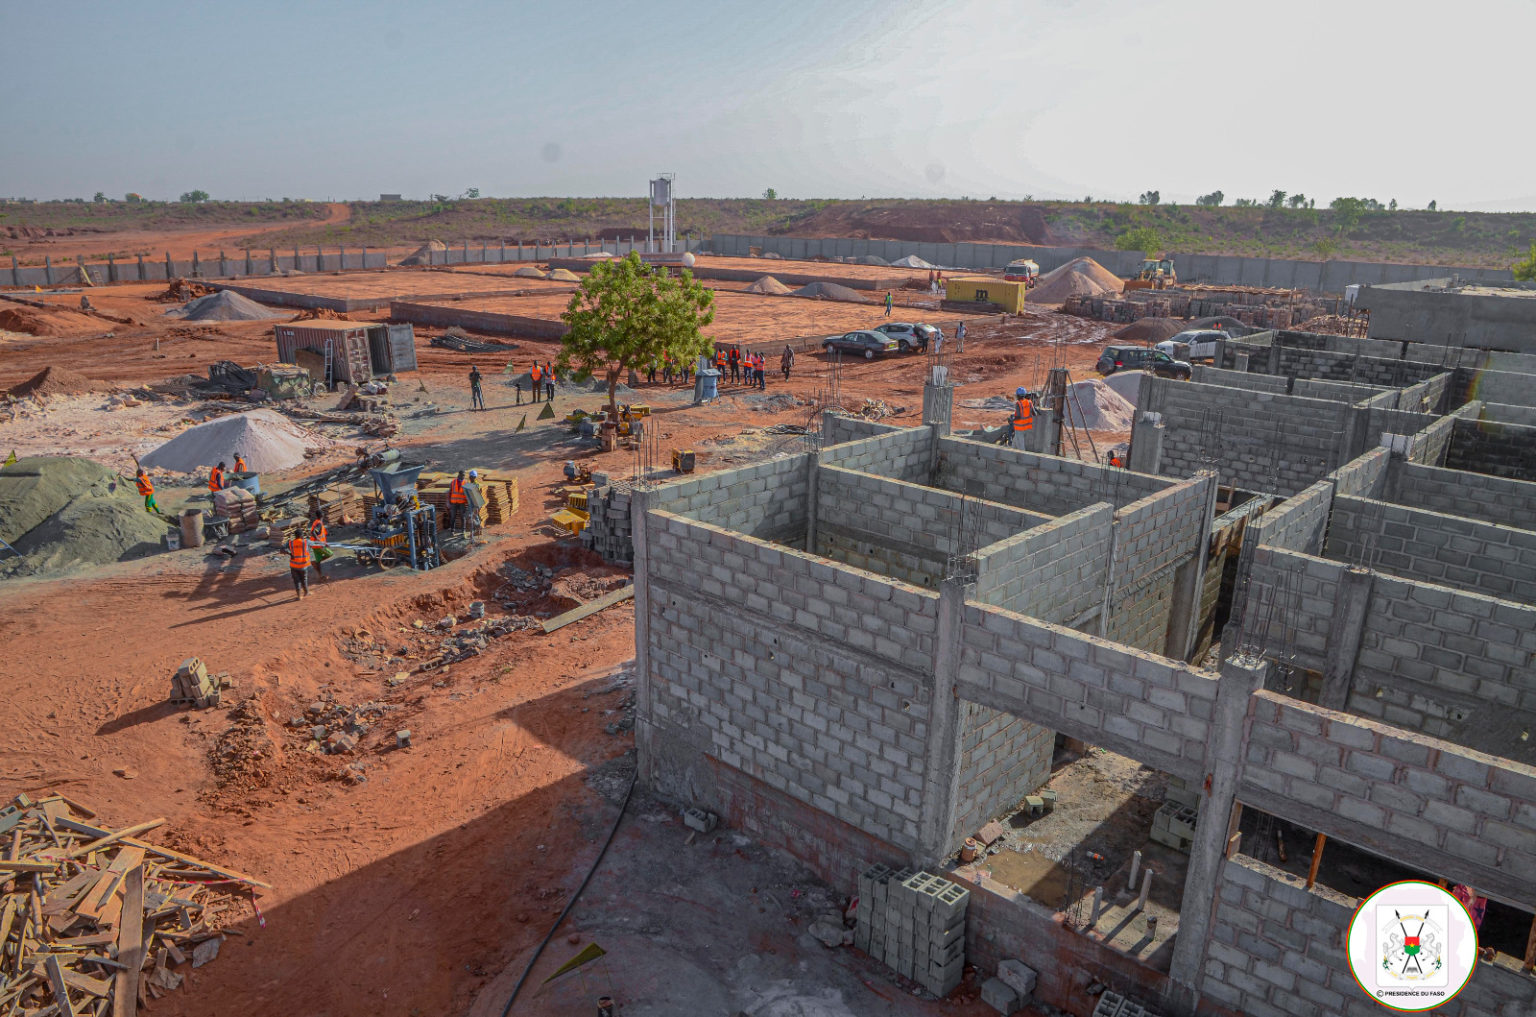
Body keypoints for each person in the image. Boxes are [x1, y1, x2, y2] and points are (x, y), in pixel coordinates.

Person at [287, 530, 313, 600]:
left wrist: (290, 554)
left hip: (294, 565)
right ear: (301, 535)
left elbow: (282, 550)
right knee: (304, 579)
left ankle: (299, 596)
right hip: (303, 565)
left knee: (296, 581)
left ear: (295, 535)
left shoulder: (291, 543)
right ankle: (306, 592)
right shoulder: (305, 542)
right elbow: (314, 544)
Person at [308, 512, 330, 582]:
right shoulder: (319, 523)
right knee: (330, 553)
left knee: (318, 561)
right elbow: (313, 532)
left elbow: (315, 532)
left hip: (315, 545)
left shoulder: (316, 522)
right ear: (322, 515)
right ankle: (316, 563)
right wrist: (320, 541)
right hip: (319, 545)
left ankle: (320, 576)